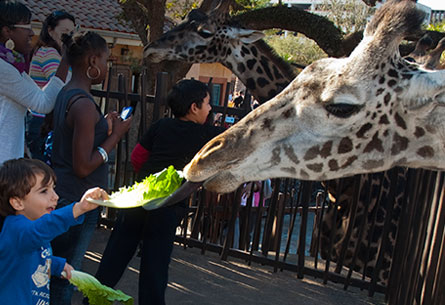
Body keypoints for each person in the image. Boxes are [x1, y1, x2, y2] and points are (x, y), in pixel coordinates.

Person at [94, 79, 225, 305]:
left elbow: (137, 157)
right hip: (166, 208)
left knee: (114, 259)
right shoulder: (207, 136)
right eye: (207, 103)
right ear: (194, 107)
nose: (210, 108)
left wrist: (149, 181)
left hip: (136, 199)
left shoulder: (160, 125)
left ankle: (92, 300)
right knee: (155, 270)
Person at [49, 31, 132, 305]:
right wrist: (115, 136)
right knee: (66, 275)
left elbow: (75, 142)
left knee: (58, 269)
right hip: (77, 198)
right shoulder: (84, 105)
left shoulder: (67, 93)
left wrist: (102, 128)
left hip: (63, 193)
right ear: (93, 60)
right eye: (106, 60)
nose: (107, 68)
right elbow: (82, 166)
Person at [0, 158, 108, 305]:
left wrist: (56, 265)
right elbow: (44, 228)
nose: (55, 197)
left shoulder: (30, 226)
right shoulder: (17, 229)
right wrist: (78, 208)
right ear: (18, 202)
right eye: (44, 191)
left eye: (53, 189)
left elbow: (33, 257)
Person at [0, 0, 69, 164]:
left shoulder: (12, 64)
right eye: (26, 27)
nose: (31, 33)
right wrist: (66, 59)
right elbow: (42, 103)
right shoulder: (4, 69)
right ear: (7, 31)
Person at [27, 10, 76, 161]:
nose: (69, 37)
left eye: (72, 32)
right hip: (41, 121)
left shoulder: (58, 54)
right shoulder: (48, 53)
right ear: (50, 31)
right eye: (64, 32)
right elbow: (64, 84)